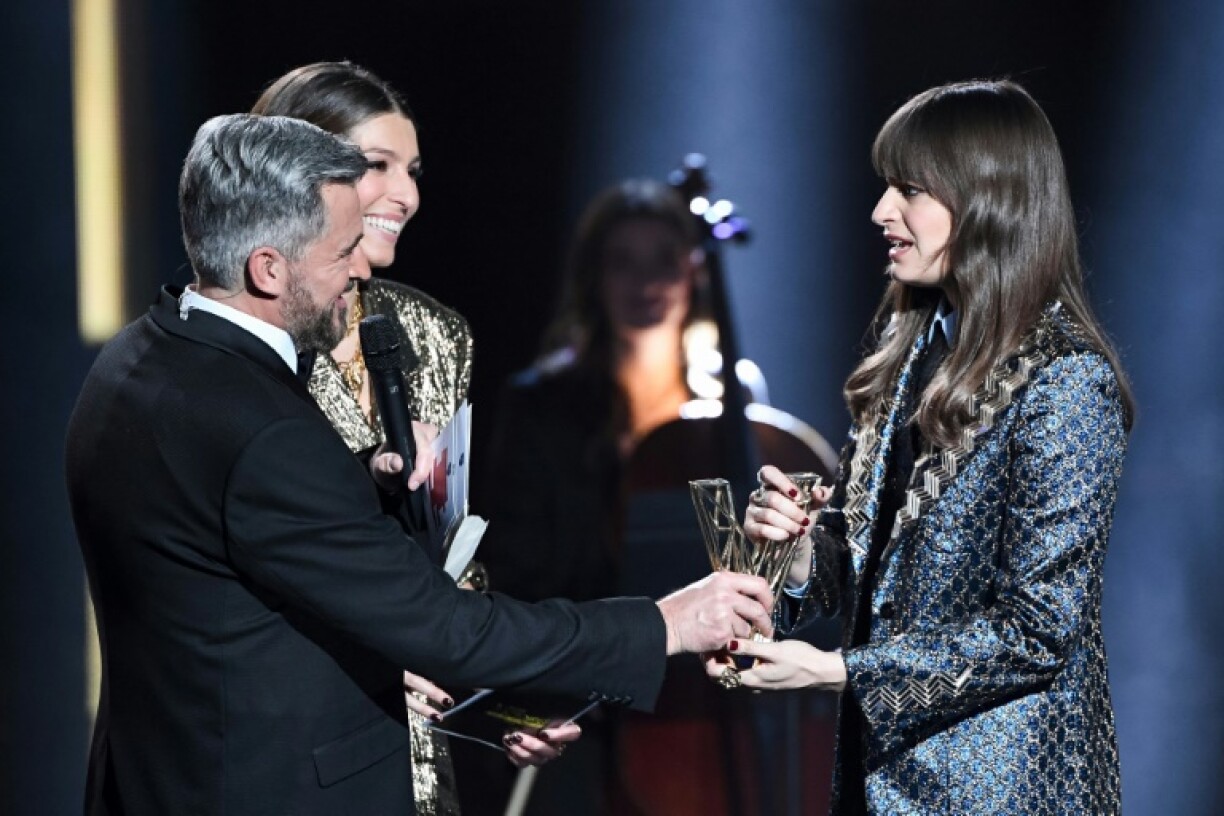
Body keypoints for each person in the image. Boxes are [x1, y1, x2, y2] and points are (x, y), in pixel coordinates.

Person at [65, 113, 775, 816]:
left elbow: (242, 576)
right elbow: (448, 628)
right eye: (343, 249)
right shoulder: (266, 432)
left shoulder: (134, 359)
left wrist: (358, 485)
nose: (361, 268)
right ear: (268, 268)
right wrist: (665, 625)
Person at [707, 79, 1133, 814]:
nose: (881, 212)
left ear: (989, 201)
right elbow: (874, 577)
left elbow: (1035, 632)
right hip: (881, 784)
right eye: (885, 187)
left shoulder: (1067, 382)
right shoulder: (908, 358)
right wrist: (804, 554)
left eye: (910, 189)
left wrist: (840, 671)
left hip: (1002, 794)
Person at [250, 60, 478, 815]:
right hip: (298, 735)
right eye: (377, 166)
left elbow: (451, 544)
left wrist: (503, 692)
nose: (407, 196)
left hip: (421, 741)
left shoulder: (432, 333)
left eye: (412, 170)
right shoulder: (246, 331)